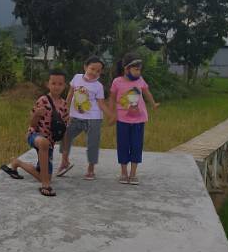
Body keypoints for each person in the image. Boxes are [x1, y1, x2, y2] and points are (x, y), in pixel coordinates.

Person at [0, 69, 69, 196]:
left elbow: (64, 130)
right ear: (48, 84)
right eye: (53, 83)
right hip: (35, 136)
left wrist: (65, 155)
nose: (56, 86)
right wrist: (36, 115)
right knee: (43, 143)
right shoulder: (43, 100)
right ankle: (45, 186)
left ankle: (17, 163)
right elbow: (32, 124)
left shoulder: (64, 105)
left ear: (64, 86)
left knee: (44, 176)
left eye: (60, 84)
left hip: (50, 143)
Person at [56, 56, 114, 180]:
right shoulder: (77, 78)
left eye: (98, 71)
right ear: (85, 67)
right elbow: (70, 93)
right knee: (65, 137)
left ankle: (91, 169)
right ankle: (64, 162)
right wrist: (65, 109)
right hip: (74, 116)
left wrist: (111, 115)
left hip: (93, 119)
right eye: (92, 69)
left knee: (93, 143)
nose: (94, 73)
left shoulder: (98, 86)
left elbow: (101, 104)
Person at [109, 53, 159, 185]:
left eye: (139, 69)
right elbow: (112, 98)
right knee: (123, 145)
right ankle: (124, 172)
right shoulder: (117, 82)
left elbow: (147, 93)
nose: (138, 72)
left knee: (136, 145)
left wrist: (153, 104)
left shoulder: (140, 80)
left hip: (138, 120)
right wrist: (112, 113)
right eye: (136, 69)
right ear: (126, 69)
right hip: (122, 120)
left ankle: (133, 173)